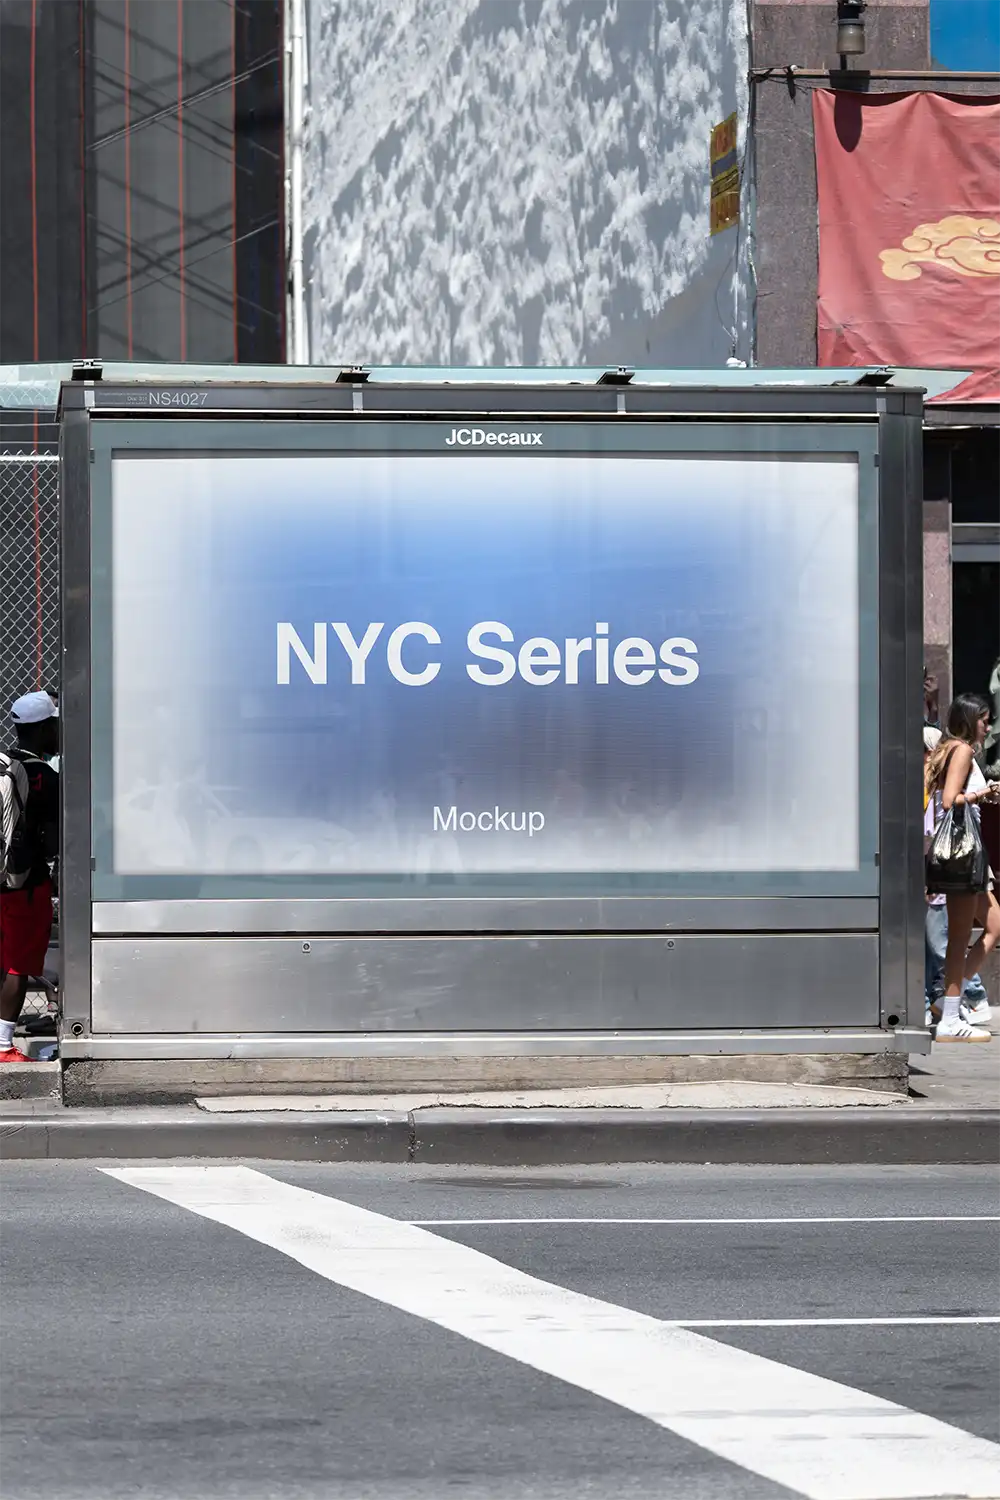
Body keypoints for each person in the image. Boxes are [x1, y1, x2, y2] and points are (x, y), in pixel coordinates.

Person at [925, 694, 1000, 1042]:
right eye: (985, 720)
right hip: (962, 854)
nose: (989, 726)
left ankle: (949, 1003)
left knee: (991, 924)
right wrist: (978, 796)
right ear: (972, 720)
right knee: (958, 938)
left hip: (963, 853)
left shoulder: (948, 748)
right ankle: (950, 1015)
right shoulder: (963, 751)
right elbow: (948, 799)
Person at [0, 692, 59, 1064]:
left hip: (2, 880)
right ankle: (3, 1046)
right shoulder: (44, 776)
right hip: (26, 885)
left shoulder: (3, 764)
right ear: (43, 729)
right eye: (55, 724)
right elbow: (55, 841)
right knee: (18, 965)